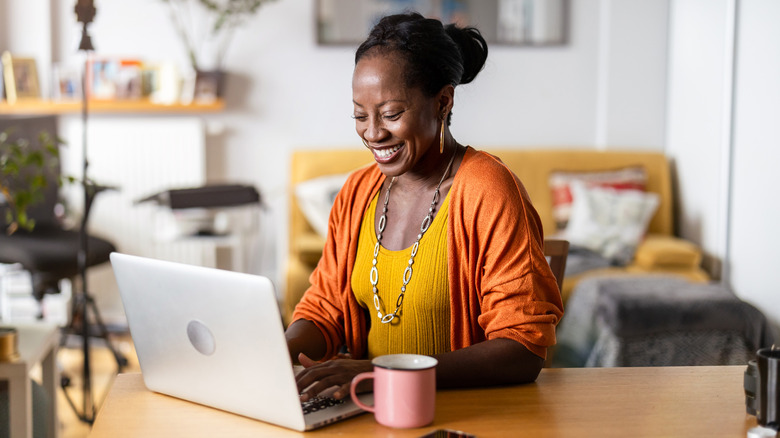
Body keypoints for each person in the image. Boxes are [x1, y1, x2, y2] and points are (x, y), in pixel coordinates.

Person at [286, 12, 563, 401]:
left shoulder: (488, 191)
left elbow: (522, 348)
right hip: (371, 413)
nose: (373, 133)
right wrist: (277, 352)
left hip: (465, 414)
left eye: (391, 114)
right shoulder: (356, 192)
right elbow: (324, 310)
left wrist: (382, 374)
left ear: (443, 102)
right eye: (360, 115)